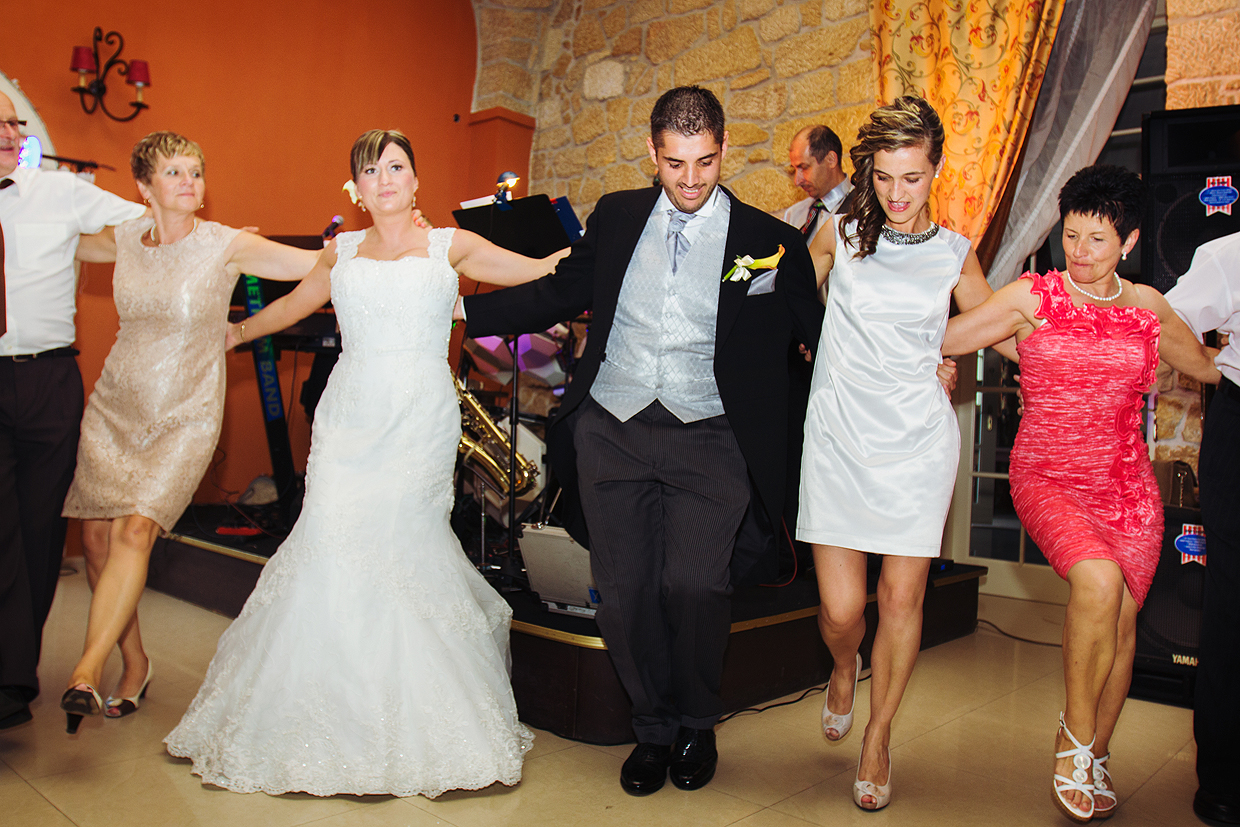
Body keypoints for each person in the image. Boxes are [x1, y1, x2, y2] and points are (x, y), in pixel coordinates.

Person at [165, 129, 561, 797]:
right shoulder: (341, 251)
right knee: (329, 541)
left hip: (419, 417)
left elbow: (536, 269)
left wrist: (585, 253)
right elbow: (293, 304)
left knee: (404, 544)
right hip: (349, 416)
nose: (385, 179)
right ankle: (313, 711)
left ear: (415, 179)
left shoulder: (452, 246)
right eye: (371, 169)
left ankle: (413, 722)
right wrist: (233, 333)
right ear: (357, 187)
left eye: (396, 166)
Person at [458, 86, 822, 796]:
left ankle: (696, 721)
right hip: (614, 429)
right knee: (622, 594)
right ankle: (653, 727)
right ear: (652, 152)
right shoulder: (619, 216)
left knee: (695, 585)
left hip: (711, 434)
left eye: (706, 162)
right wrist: (458, 311)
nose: (691, 180)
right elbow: (561, 290)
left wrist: (908, 365)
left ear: (724, 148)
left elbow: (816, 334)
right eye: (675, 163)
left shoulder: (767, 242)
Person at [942, 164, 1221, 822]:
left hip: (1128, 490)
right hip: (1048, 475)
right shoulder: (1033, 297)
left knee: (1121, 622)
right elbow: (949, 335)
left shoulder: (1148, 306)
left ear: (1129, 240)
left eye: (1097, 240)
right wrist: (921, 349)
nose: (1081, 251)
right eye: (1071, 235)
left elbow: (1209, 366)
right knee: (1098, 582)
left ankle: (1097, 753)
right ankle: (1073, 741)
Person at [57, 131, 323, 733]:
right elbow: (54, 241)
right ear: (144, 186)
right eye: (173, 172)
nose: (189, 182)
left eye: (195, 172)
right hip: (116, 405)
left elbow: (318, 267)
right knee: (95, 542)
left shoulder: (225, 244)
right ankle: (135, 663)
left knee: (135, 530)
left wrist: (245, 330)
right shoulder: (125, 238)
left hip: (186, 412)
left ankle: (84, 672)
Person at [800, 96, 1016, 811]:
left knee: (901, 598)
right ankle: (843, 667)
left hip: (919, 441)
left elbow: (999, 325)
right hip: (839, 435)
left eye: (913, 178)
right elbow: (788, 302)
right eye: (885, 176)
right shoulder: (838, 234)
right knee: (840, 611)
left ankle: (879, 733)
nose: (897, 193)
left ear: (936, 170)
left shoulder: (954, 253)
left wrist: (1083, 336)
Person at [0, 91, 147, 730]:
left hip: (48, 379)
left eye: (13, 121)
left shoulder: (59, 192)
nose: (9, 131)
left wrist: (215, 241)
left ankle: (13, 678)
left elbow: (151, 220)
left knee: (37, 533)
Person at [1163, 232, 1240, 826]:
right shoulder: (1230, 253)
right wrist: (1214, 371)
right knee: (1233, 608)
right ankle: (1225, 781)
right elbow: (1163, 320)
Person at [782, 124, 851, 245]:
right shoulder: (793, 215)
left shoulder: (862, 208)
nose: (797, 181)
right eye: (794, 170)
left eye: (804, 167)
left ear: (831, 159)